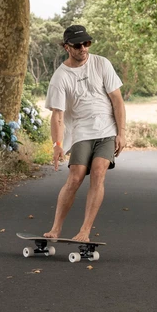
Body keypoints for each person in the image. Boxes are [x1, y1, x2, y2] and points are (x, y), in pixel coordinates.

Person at [43, 24, 126, 242]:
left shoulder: (101, 64)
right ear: (66, 47)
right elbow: (57, 116)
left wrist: (122, 132)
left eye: (86, 43)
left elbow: (117, 100)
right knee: (75, 177)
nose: (83, 48)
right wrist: (57, 144)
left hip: (107, 129)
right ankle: (56, 228)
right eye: (78, 45)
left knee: (98, 172)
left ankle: (85, 231)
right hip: (80, 131)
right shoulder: (60, 77)